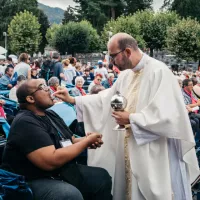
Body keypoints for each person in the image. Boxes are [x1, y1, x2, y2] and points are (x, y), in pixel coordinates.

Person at [54, 33, 199, 200]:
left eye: (113, 56)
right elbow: (105, 99)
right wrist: (73, 99)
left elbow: (169, 116)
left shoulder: (160, 72)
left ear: (127, 51)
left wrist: (131, 118)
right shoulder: (126, 75)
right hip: (130, 145)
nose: (111, 62)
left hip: (155, 150)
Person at [1, 78, 112, 200]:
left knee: (101, 177)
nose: (48, 89)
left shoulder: (50, 114)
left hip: (58, 172)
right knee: (68, 194)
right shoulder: (25, 121)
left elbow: (72, 141)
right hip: (30, 180)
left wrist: (88, 139)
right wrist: (86, 142)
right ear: (30, 99)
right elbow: (50, 161)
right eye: (42, 87)